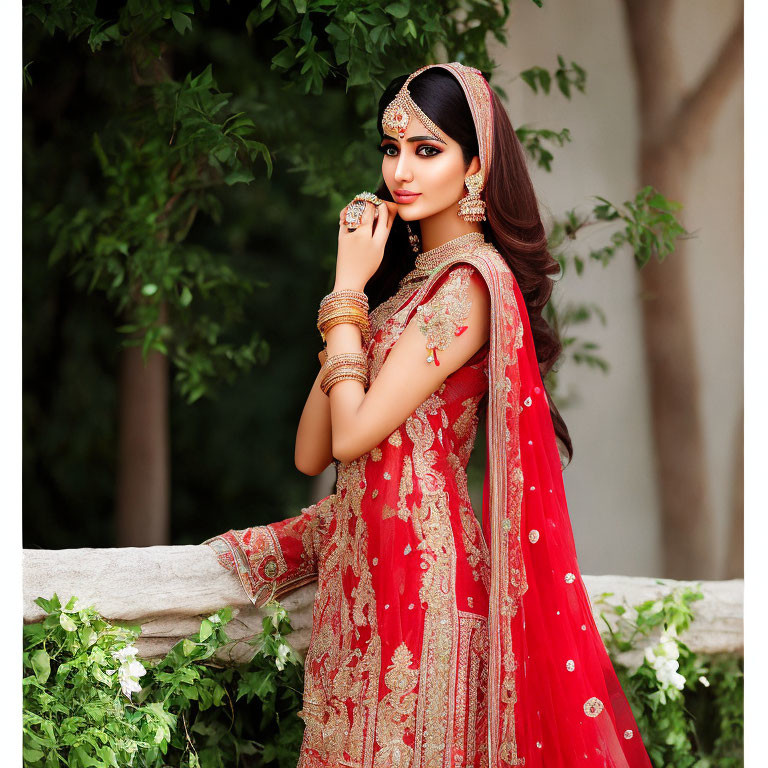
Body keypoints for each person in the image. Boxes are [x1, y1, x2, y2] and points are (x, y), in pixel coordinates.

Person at [204, 63, 653, 768]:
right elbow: (314, 451)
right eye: (392, 149)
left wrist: (345, 292)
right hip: (365, 583)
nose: (401, 171)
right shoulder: (396, 297)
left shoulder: (472, 286)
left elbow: (353, 430)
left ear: (475, 167)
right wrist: (353, 299)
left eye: (427, 149)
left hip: (425, 588)